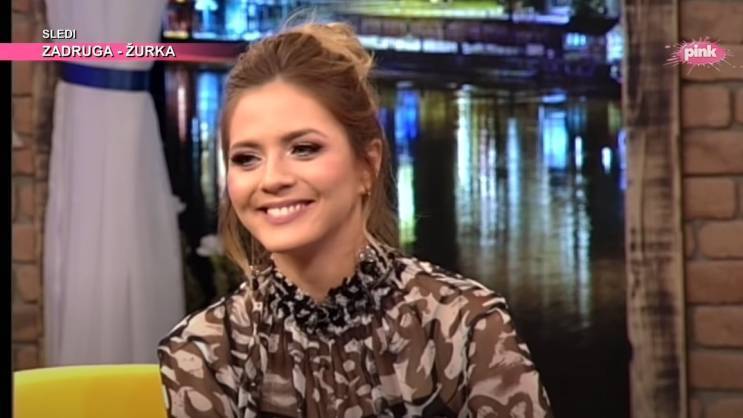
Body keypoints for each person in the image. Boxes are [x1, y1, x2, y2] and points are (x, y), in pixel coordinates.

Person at [157, 21, 552, 418]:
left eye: (304, 148)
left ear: (367, 164)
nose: (272, 179)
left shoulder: (464, 324)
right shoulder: (204, 352)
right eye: (246, 158)